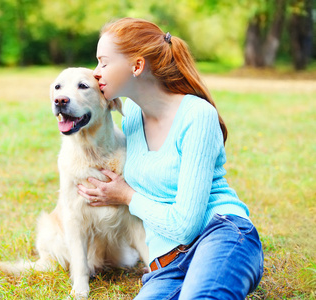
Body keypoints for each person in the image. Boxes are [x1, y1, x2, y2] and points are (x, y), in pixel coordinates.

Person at [77, 18, 264, 299]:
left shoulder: (197, 116)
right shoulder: (132, 118)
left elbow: (185, 224)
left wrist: (127, 196)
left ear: (137, 66)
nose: (96, 72)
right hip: (167, 264)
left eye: (103, 62)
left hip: (220, 234)